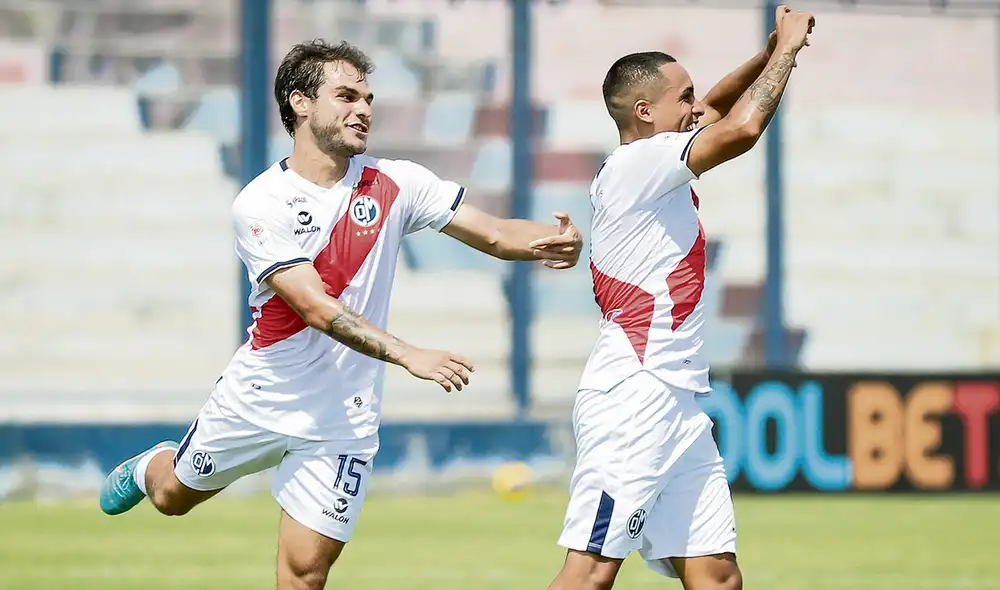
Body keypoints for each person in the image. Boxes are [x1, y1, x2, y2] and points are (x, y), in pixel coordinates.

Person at [98, 39, 583, 589]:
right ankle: (151, 465)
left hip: (343, 417)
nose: (364, 110)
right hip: (261, 394)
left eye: (369, 98)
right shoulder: (261, 203)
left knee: (306, 573)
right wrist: (407, 354)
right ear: (300, 102)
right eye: (346, 96)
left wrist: (551, 239)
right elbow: (314, 307)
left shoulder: (397, 182)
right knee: (172, 497)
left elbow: (494, 232)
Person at [541, 6, 815, 590]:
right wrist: (788, 53)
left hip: (677, 403)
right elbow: (740, 128)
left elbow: (716, 107)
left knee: (716, 575)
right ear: (644, 113)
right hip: (634, 396)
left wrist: (765, 56)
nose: (695, 107)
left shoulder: (655, 161)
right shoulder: (640, 162)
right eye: (682, 96)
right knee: (589, 573)